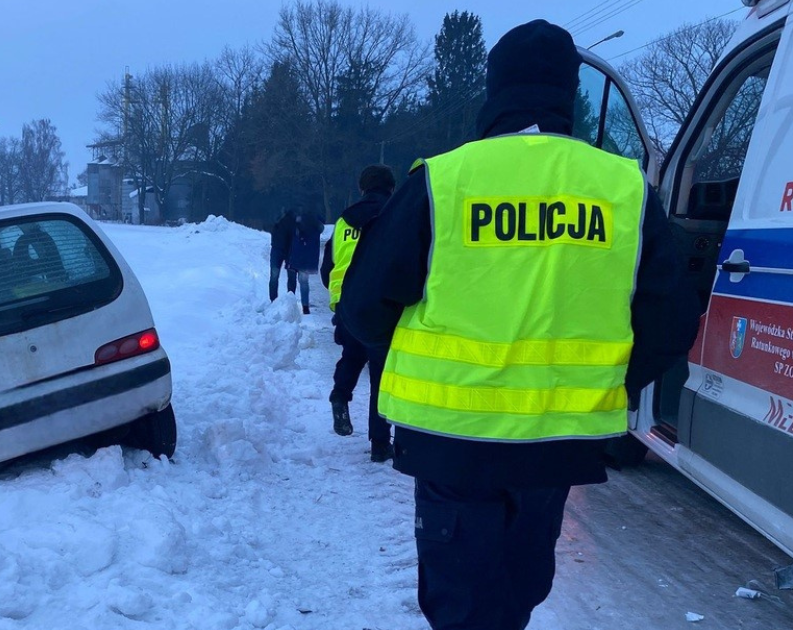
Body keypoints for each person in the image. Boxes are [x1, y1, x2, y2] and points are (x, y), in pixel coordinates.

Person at [338, 20, 700, 630]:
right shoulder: (623, 189)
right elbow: (671, 322)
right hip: (554, 449)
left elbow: (363, 306)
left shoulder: (444, 180)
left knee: (461, 605)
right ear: (570, 92)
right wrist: (601, 384)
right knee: (514, 598)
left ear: (495, 90)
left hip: (453, 445)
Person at [320, 164, 396, 461]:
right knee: (380, 375)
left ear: (362, 188)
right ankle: (380, 444)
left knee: (352, 354)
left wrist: (340, 296)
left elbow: (328, 268)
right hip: (383, 305)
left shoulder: (343, 221)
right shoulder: (395, 214)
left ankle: (340, 395)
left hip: (347, 305)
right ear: (391, 187)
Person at [288, 207, 324, 314]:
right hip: (308, 258)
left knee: (292, 280)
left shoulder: (297, 222)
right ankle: (305, 306)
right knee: (304, 282)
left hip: (295, 254)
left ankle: (290, 305)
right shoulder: (316, 224)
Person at [269, 207, 298, 301]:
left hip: (284, 249)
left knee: (278, 276)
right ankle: (278, 300)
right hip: (282, 249)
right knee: (279, 276)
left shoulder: (291, 216)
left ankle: (285, 300)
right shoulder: (278, 215)